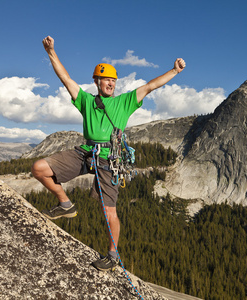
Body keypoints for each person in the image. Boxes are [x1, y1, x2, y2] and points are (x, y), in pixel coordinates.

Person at [32, 36, 185, 271]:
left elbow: (150, 86)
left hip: (109, 158)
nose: (111, 83)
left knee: (109, 211)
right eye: (106, 79)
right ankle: (65, 204)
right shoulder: (85, 101)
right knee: (39, 169)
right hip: (85, 152)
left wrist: (174, 71)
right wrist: (51, 51)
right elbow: (65, 78)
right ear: (97, 81)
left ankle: (113, 256)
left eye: (113, 80)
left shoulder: (124, 102)